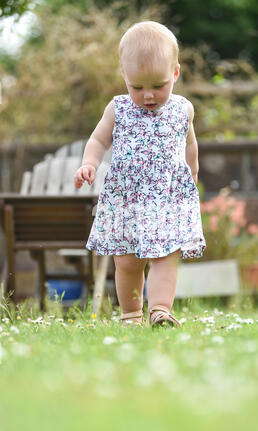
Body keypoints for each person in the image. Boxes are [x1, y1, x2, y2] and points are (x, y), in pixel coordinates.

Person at [74, 21, 206, 328]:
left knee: (164, 258)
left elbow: (190, 146)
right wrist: (89, 163)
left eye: (158, 86)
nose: (148, 95)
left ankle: (160, 310)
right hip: (127, 200)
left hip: (166, 199)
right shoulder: (118, 108)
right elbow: (98, 140)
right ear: (125, 76)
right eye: (137, 87)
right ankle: (131, 315)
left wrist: (192, 178)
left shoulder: (183, 109)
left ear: (175, 73)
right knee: (128, 262)